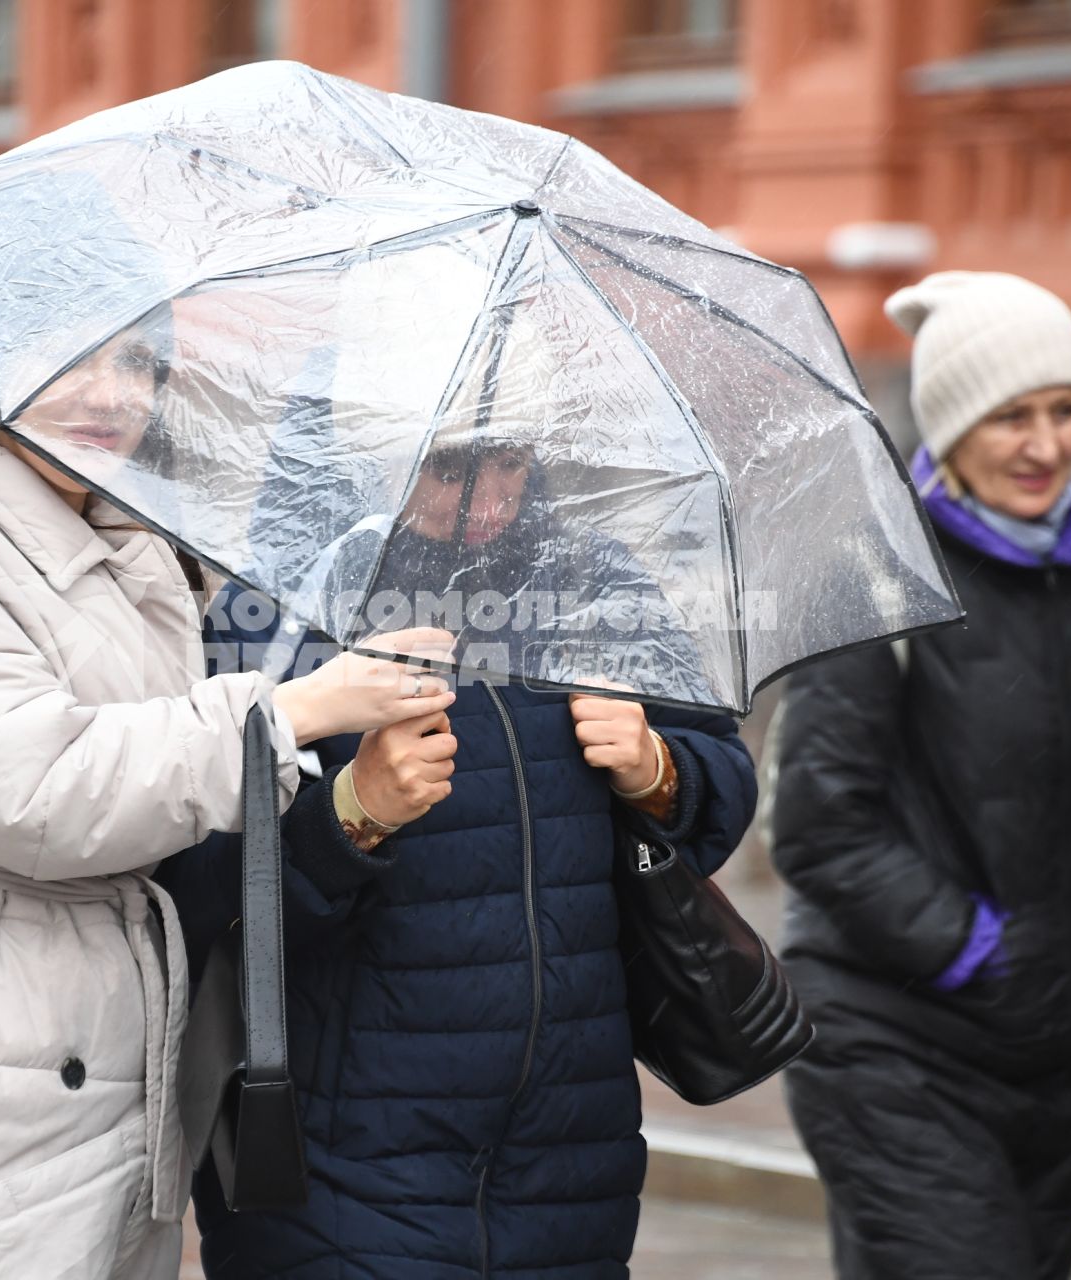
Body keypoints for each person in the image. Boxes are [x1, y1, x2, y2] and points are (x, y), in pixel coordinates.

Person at [0, 300, 458, 1280]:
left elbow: (164, 798)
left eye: (142, 362)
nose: (114, 394)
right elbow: (39, 787)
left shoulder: (142, 549)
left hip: (92, 1079)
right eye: (73, 356)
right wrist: (284, 715)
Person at [158, 433, 758, 1278]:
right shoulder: (287, 602)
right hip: (343, 1162)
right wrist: (353, 812)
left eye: (509, 463)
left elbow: (722, 787)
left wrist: (656, 767)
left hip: (569, 1152)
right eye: (449, 470)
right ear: (384, 455)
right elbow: (201, 886)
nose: (486, 501)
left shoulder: (596, 585)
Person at [769, 271, 1071, 1280]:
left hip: (1070, 1040)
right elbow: (819, 826)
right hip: (897, 1044)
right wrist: (973, 947)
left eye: (1065, 408)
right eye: (1011, 416)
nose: (1047, 444)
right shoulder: (876, 572)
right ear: (953, 426)